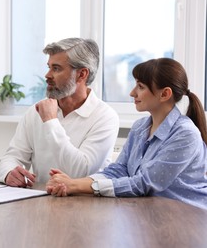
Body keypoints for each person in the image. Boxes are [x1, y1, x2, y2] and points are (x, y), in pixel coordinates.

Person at [46, 58, 207, 210]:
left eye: (141, 87)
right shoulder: (140, 127)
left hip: (187, 219)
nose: (132, 93)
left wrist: (75, 186)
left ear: (164, 94)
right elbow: (118, 170)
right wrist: (72, 182)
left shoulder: (186, 134)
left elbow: (144, 183)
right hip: (150, 212)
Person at [0, 38, 119, 187]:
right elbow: (12, 157)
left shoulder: (105, 117)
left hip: (86, 204)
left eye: (56, 68)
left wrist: (51, 122)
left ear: (82, 74)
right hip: (41, 201)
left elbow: (80, 172)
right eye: (49, 67)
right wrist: (9, 172)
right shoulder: (35, 111)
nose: (47, 75)